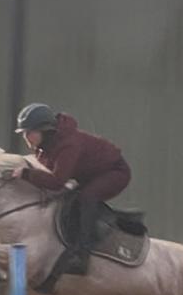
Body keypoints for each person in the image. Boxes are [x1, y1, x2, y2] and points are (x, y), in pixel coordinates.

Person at [14, 103, 131, 274]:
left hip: (115, 172)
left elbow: (56, 181)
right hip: (91, 174)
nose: (26, 138)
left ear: (45, 130)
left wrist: (26, 174)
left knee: (87, 197)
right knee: (69, 200)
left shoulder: (68, 145)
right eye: (24, 133)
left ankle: (82, 255)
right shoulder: (45, 147)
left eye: (29, 133)